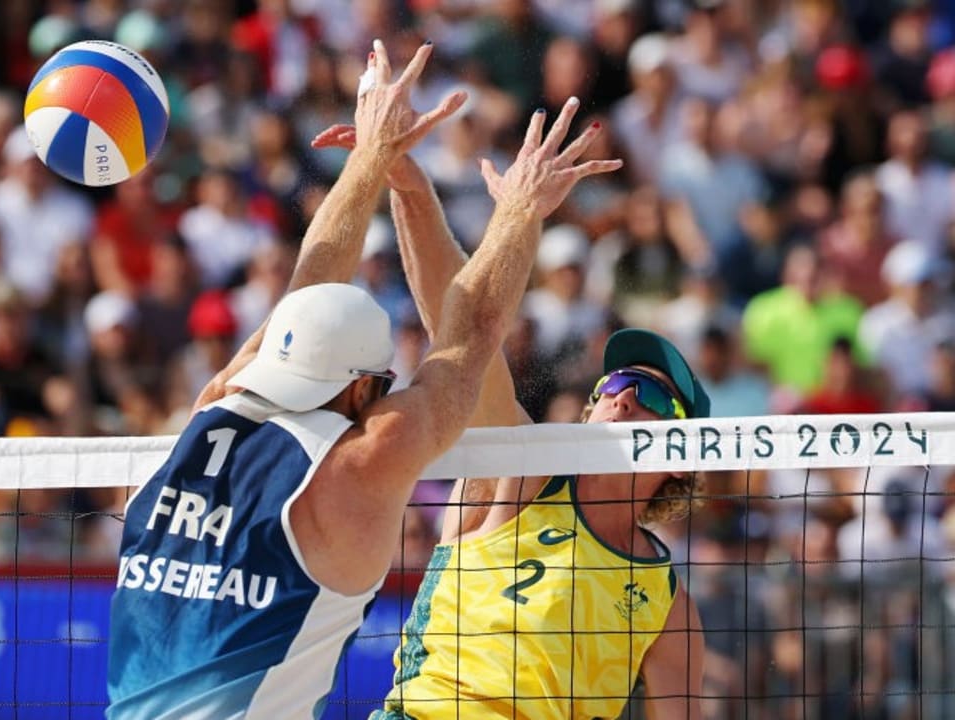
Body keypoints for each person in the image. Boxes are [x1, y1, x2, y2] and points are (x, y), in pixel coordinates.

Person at [106, 41, 621, 719]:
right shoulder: (360, 465)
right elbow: (469, 337)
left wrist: (372, 158)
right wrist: (522, 210)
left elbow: (306, 290)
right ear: (363, 388)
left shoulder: (214, 407)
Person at [314, 119, 707, 718]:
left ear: (680, 459)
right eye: (616, 384)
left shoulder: (668, 602)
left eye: (651, 399)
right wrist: (413, 193)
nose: (625, 398)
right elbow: (464, 338)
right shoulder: (520, 474)